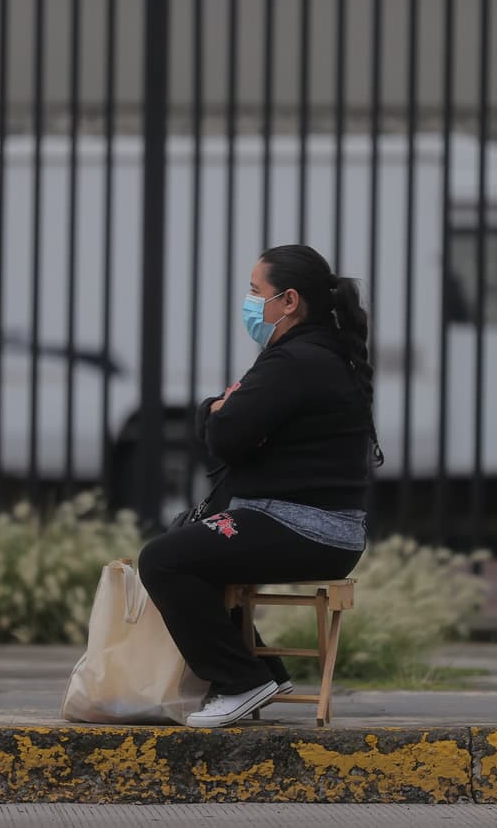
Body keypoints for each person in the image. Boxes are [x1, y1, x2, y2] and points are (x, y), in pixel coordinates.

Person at [137, 244, 382, 728]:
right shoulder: (320, 353)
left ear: (288, 301)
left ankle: (239, 681)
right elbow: (240, 429)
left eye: (256, 291)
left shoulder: (294, 361)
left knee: (162, 560)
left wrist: (212, 411)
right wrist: (225, 412)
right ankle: (267, 671)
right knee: (185, 547)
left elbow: (226, 437)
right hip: (320, 528)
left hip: (302, 527)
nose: (250, 302)